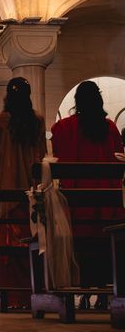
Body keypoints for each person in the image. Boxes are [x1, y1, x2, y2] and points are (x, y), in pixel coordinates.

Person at [51, 80, 124, 309]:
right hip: (107, 206)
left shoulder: (64, 128)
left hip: (76, 207)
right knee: (105, 240)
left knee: (80, 240)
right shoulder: (110, 128)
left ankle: (82, 290)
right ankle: (104, 290)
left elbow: (57, 157)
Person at [0, 76, 46, 307]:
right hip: (31, 187)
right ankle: (35, 288)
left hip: (9, 185)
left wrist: (4, 169)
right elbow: (41, 153)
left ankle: (13, 293)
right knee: (32, 233)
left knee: (9, 236)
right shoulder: (38, 121)